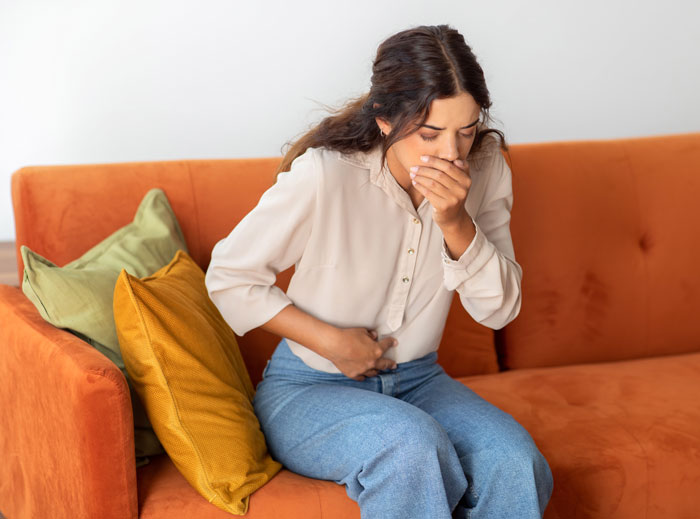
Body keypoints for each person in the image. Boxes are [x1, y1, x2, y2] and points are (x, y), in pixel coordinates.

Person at [205, 23, 553, 519]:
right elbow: (228, 277)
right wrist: (329, 340)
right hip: (308, 388)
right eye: (430, 133)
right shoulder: (326, 174)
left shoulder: (488, 168)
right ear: (386, 119)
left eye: (467, 129)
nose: (452, 153)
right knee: (409, 446)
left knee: (513, 460)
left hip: (420, 382)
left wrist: (455, 222)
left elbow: (499, 311)